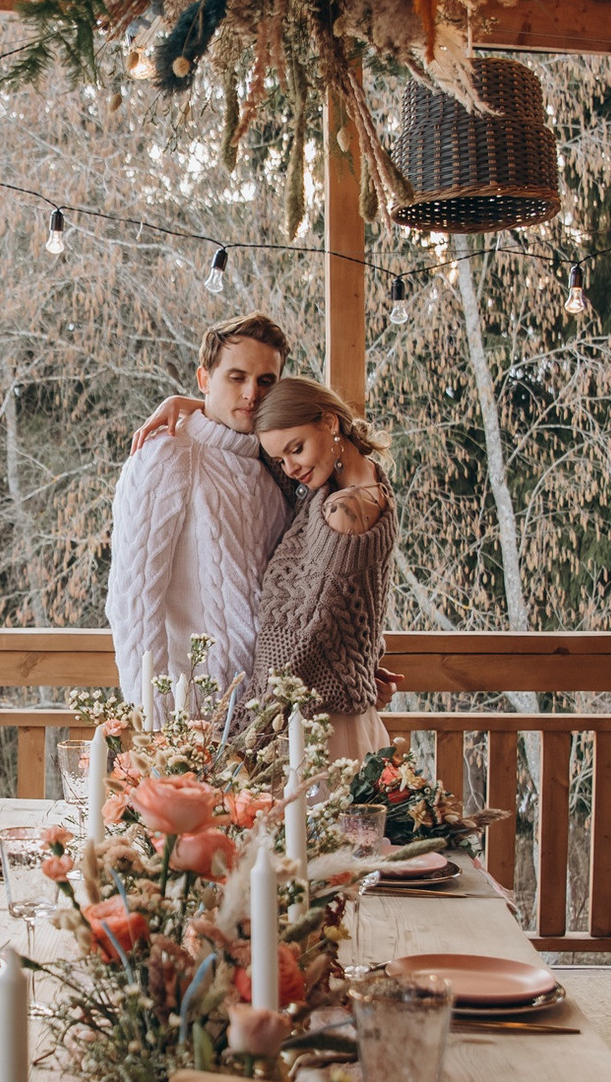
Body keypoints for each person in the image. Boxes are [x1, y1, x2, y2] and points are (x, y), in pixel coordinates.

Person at [105, 314, 294, 718]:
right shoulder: (167, 455)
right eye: (236, 377)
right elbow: (134, 602)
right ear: (204, 379)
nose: (251, 394)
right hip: (188, 720)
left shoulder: (277, 466)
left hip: (265, 718)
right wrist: (155, 728)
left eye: (266, 381)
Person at [249, 377, 397, 762]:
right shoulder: (352, 481)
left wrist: (250, 734)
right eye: (282, 458)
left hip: (317, 731)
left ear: (331, 422)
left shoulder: (344, 512)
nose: (290, 467)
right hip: (326, 715)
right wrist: (187, 404)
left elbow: (305, 638)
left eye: (296, 449)